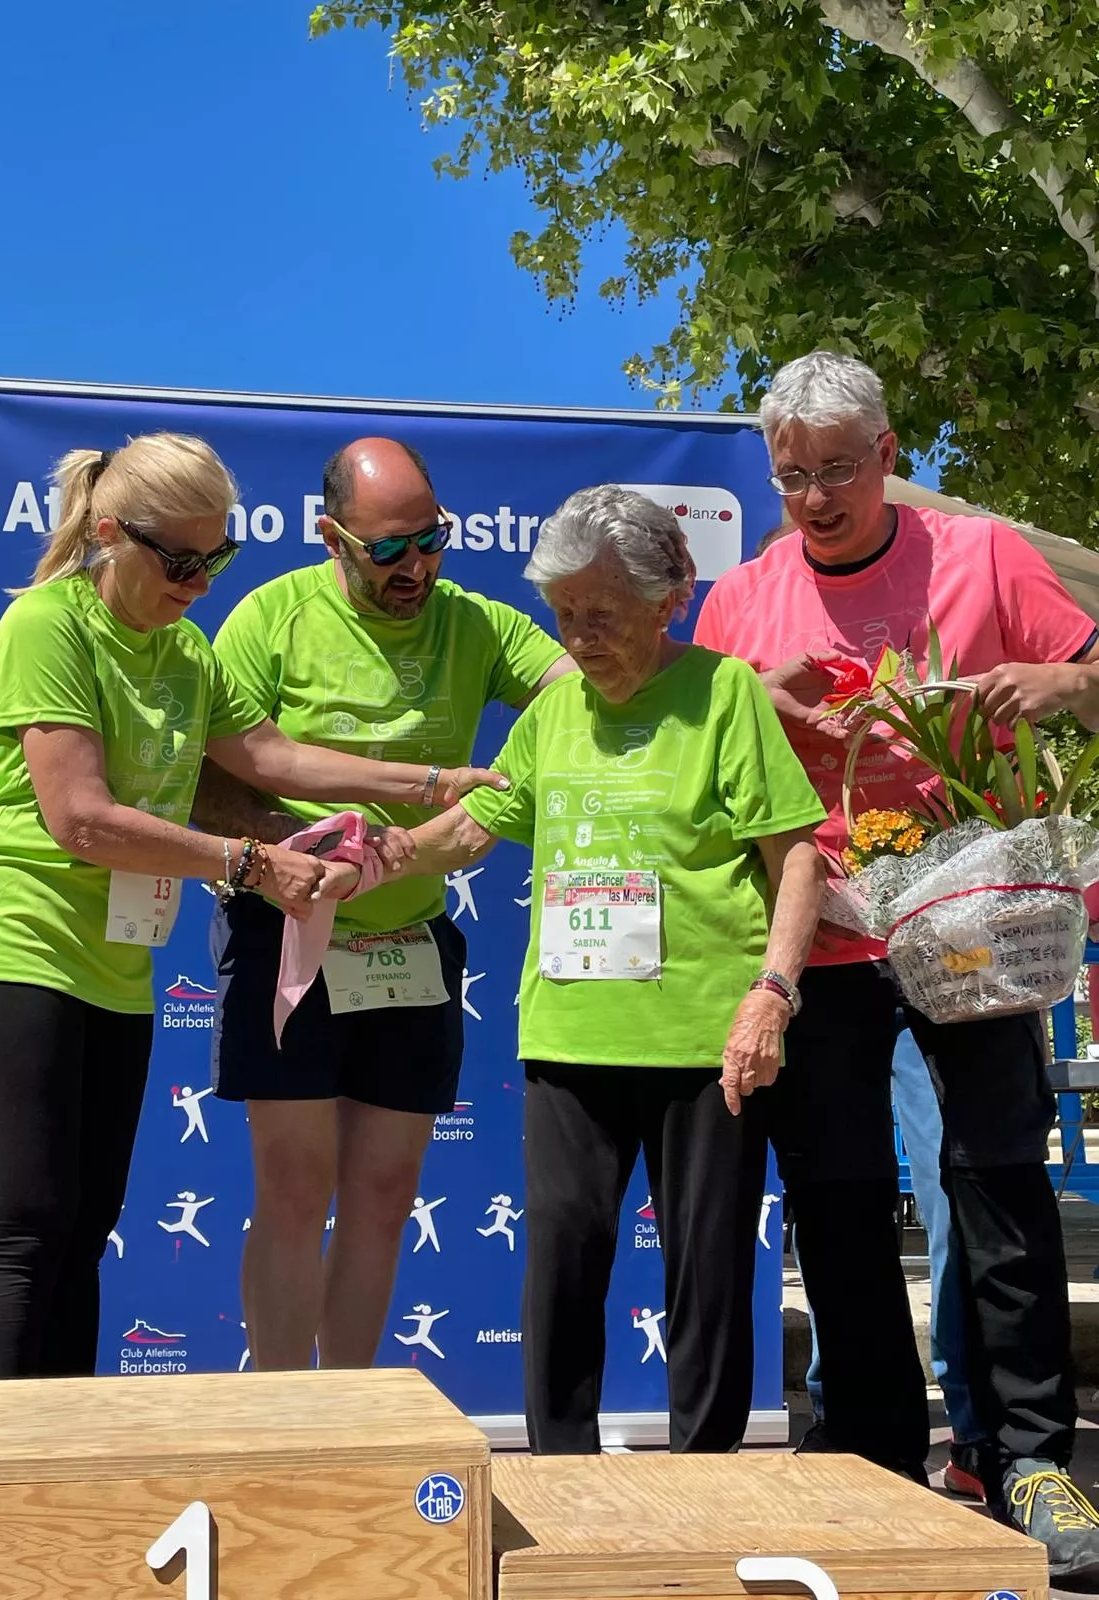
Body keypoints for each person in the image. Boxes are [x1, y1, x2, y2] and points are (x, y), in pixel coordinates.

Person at [0, 432, 500, 1383]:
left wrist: (428, 779)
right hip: (13, 938)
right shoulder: (48, 625)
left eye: (216, 559)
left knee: (85, 1224)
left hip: (114, 963)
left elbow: (273, 760)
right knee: (25, 1226)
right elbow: (81, 819)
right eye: (180, 561)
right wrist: (249, 862)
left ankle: (63, 1461)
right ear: (111, 533)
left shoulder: (186, 647)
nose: (199, 582)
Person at [695, 349, 1099, 1582]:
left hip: (970, 919)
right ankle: (872, 1444)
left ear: (888, 457)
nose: (814, 500)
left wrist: (1061, 681)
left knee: (995, 1184)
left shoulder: (982, 558)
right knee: (842, 1204)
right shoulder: (743, 599)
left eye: (836, 472)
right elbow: (696, 763)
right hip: (817, 931)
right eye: (789, 479)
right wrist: (750, 697)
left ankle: (1028, 1454)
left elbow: (1092, 682)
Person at [321, 485, 827, 1451]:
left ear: (664, 601)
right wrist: (371, 855)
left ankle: (707, 1481)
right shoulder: (554, 716)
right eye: (564, 618)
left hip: (701, 1038)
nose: (580, 639)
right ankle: (561, 1470)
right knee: (560, 1259)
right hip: (570, 1035)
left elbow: (795, 854)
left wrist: (771, 994)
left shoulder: (724, 695)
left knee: (706, 1274)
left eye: (602, 616)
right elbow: (472, 825)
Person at [188, 437, 572, 1372]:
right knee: (291, 1186)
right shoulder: (268, 618)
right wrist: (301, 847)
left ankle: (348, 1413)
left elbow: (584, 693)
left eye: (431, 540)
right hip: (288, 934)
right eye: (389, 550)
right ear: (331, 538)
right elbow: (211, 778)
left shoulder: (475, 624)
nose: (418, 568)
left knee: (385, 1191)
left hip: (407, 940)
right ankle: (284, 1421)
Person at [802, 1023, 987, 1499]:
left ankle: (972, 1430)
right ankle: (837, 1411)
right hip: (831, 980)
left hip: (933, 985)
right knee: (833, 1204)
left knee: (956, 1206)